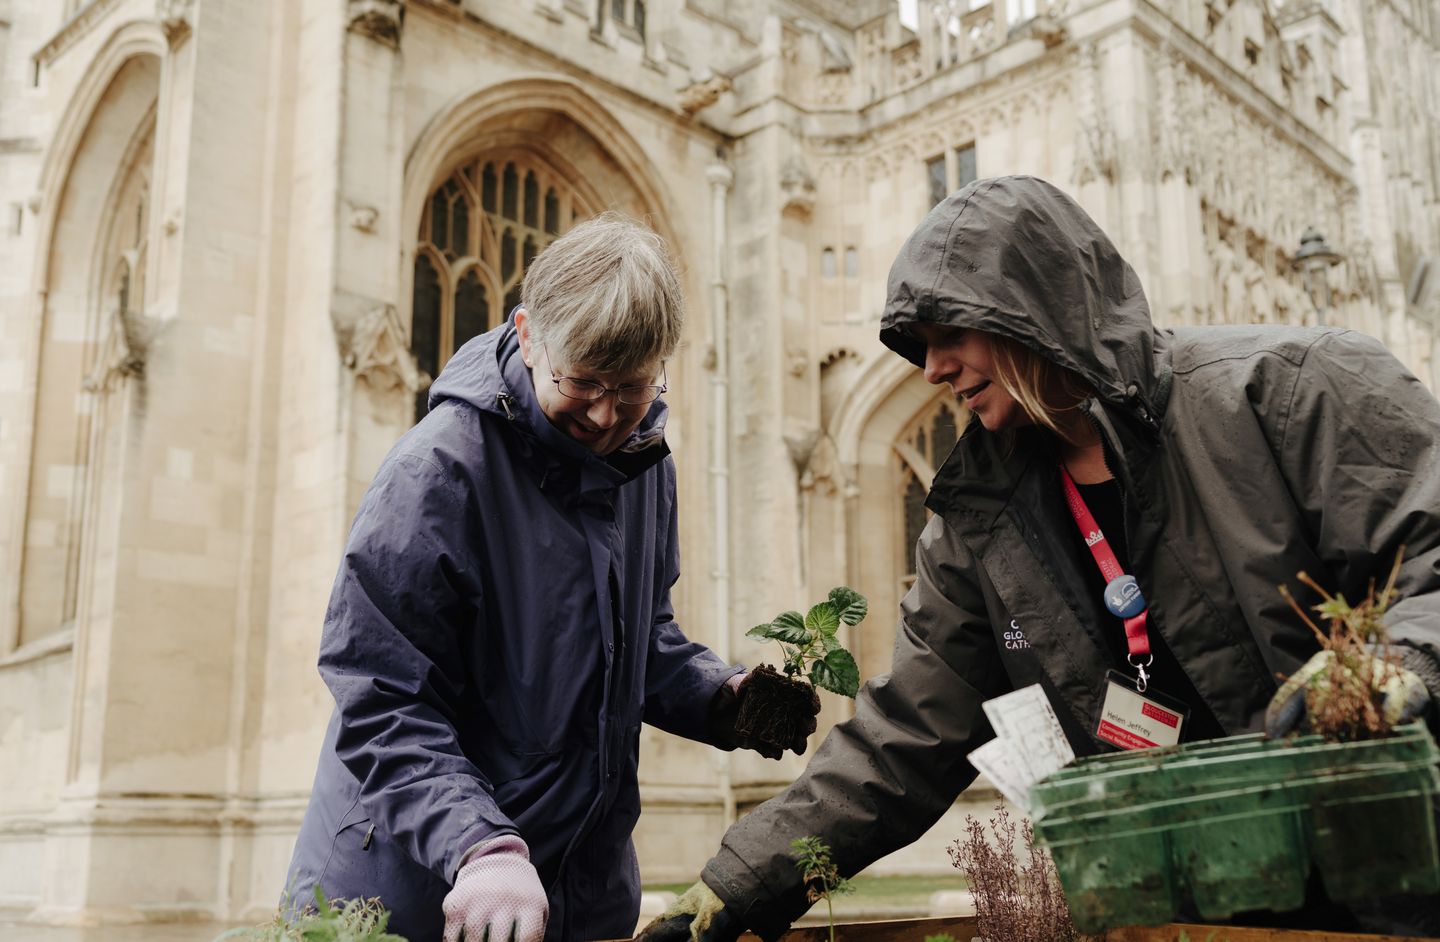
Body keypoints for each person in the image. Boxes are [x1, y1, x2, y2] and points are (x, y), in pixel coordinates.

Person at [639, 175, 1440, 941]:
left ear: (1038, 313)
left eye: (951, 334)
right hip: (1185, 902)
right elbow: (909, 735)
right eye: (920, 345)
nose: (933, 368)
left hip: (1392, 876)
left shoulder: (1297, 387)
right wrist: (736, 885)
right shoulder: (977, 517)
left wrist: (1400, 660)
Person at [281, 213, 815, 942]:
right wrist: (481, 847)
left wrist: (724, 699)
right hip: (418, 892)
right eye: (583, 383)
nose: (604, 415)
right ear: (529, 336)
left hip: (576, 887)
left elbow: (641, 641)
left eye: (630, 388)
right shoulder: (436, 474)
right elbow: (381, 699)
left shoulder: (645, 466)